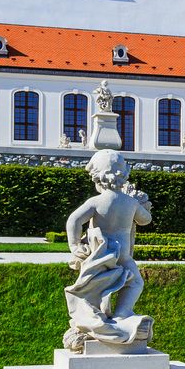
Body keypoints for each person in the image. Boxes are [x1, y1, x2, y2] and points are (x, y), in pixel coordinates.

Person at [63, 149, 155, 352]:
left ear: (97, 177)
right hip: (122, 255)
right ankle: (122, 312)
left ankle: (101, 316)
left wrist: (75, 245)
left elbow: (74, 220)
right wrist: (142, 205)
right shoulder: (130, 202)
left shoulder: (95, 202)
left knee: (98, 289)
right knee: (135, 283)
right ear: (125, 175)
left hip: (100, 255)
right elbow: (145, 220)